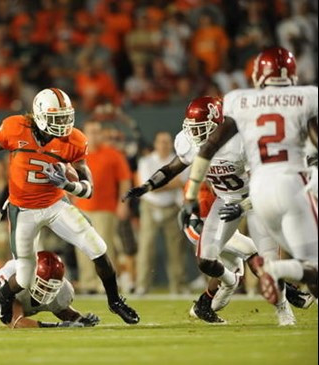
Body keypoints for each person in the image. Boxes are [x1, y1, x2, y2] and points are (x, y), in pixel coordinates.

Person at [0, 88, 139, 325]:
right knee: (24, 276)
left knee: (98, 247)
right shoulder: (15, 128)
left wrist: (67, 185)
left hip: (55, 205)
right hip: (24, 211)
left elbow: (88, 188)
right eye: (56, 118)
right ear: (40, 115)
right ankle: (4, 296)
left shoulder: (74, 140)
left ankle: (115, 301)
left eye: (65, 117)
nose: (63, 124)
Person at [125, 96, 298, 325]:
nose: (196, 134)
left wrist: (243, 206)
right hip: (225, 200)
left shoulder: (240, 141)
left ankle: (283, 307)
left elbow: (263, 182)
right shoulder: (189, 142)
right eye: (192, 128)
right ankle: (228, 282)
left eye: (201, 128)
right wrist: (148, 185)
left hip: (253, 201)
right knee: (206, 260)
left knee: (265, 259)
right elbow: (171, 168)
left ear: (217, 123)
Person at [181, 47, 318, 308]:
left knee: (264, 254)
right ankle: (281, 279)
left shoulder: (240, 101)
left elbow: (207, 149)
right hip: (291, 182)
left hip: (262, 189)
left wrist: (189, 195)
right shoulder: (308, 97)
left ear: (257, 75)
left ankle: (278, 284)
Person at [182, 183, 314, 323]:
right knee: (253, 252)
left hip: (222, 226)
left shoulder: (223, 179)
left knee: (234, 279)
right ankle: (292, 297)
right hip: (202, 229)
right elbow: (202, 216)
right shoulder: (201, 186)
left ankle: (203, 305)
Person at [72, 120, 132, 294]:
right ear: (84, 133)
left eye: (97, 131)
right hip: (81, 207)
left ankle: (104, 283)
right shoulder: (77, 153)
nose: (94, 135)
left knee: (104, 246)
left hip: (105, 208)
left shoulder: (113, 154)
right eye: (91, 131)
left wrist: (123, 203)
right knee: (81, 246)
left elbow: (124, 180)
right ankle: (88, 283)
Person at [132, 131, 187, 295]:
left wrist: (158, 184)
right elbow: (149, 187)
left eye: (167, 142)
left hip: (173, 207)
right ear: (155, 144)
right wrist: (170, 183)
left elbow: (183, 182)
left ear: (172, 144)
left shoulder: (180, 160)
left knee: (176, 249)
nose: (164, 145)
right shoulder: (146, 161)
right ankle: (142, 285)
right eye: (161, 142)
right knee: (146, 247)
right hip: (150, 207)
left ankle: (178, 286)